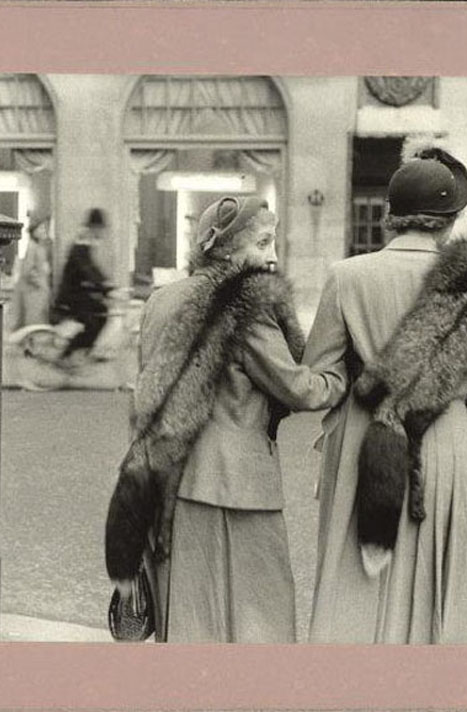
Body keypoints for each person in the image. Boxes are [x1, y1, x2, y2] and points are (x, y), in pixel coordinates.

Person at [105, 196, 347, 643]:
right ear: (228, 249)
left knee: (192, 614)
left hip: (170, 484)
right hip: (238, 485)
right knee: (260, 615)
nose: (273, 255)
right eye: (262, 242)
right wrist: (339, 373)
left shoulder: (160, 300)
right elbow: (300, 387)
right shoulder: (245, 303)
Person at [302, 147, 467, 644]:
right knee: (437, 590)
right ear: (449, 222)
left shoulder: (346, 276)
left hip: (363, 440)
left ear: (390, 216)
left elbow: (320, 374)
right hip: (442, 444)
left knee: (355, 585)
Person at [53, 208, 112, 361]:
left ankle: (84, 349)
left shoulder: (86, 241)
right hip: (71, 295)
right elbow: (85, 268)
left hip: (79, 293)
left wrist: (106, 283)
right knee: (92, 322)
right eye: (100, 228)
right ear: (93, 227)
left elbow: (92, 267)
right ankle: (68, 352)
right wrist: (102, 285)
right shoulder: (81, 243)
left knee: (102, 312)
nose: (101, 232)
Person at [10, 215, 52, 329]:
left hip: (38, 291)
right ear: (34, 231)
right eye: (41, 228)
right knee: (33, 323)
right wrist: (40, 283)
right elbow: (28, 271)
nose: (44, 231)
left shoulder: (39, 247)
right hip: (33, 292)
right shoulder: (32, 247)